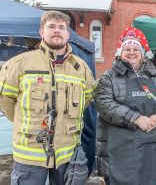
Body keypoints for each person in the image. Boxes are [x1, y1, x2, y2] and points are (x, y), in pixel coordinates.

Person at [0, 10, 95, 185]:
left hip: (66, 153)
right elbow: (5, 100)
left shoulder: (80, 68)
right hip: (30, 153)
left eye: (61, 27)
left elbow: (87, 99)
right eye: (51, 26)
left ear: (68, 34)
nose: (57, 30)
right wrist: (24, 121)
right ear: (42, 32)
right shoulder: (20, 63)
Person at [94, 27, 156, 185]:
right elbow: (104, 104)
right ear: (120, 53)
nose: (132, 52)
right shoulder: (109, 77)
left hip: (152, 147)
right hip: (122, 150)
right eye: (127, 49)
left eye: (135, 49)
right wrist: (136, 118)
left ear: (142, 54)